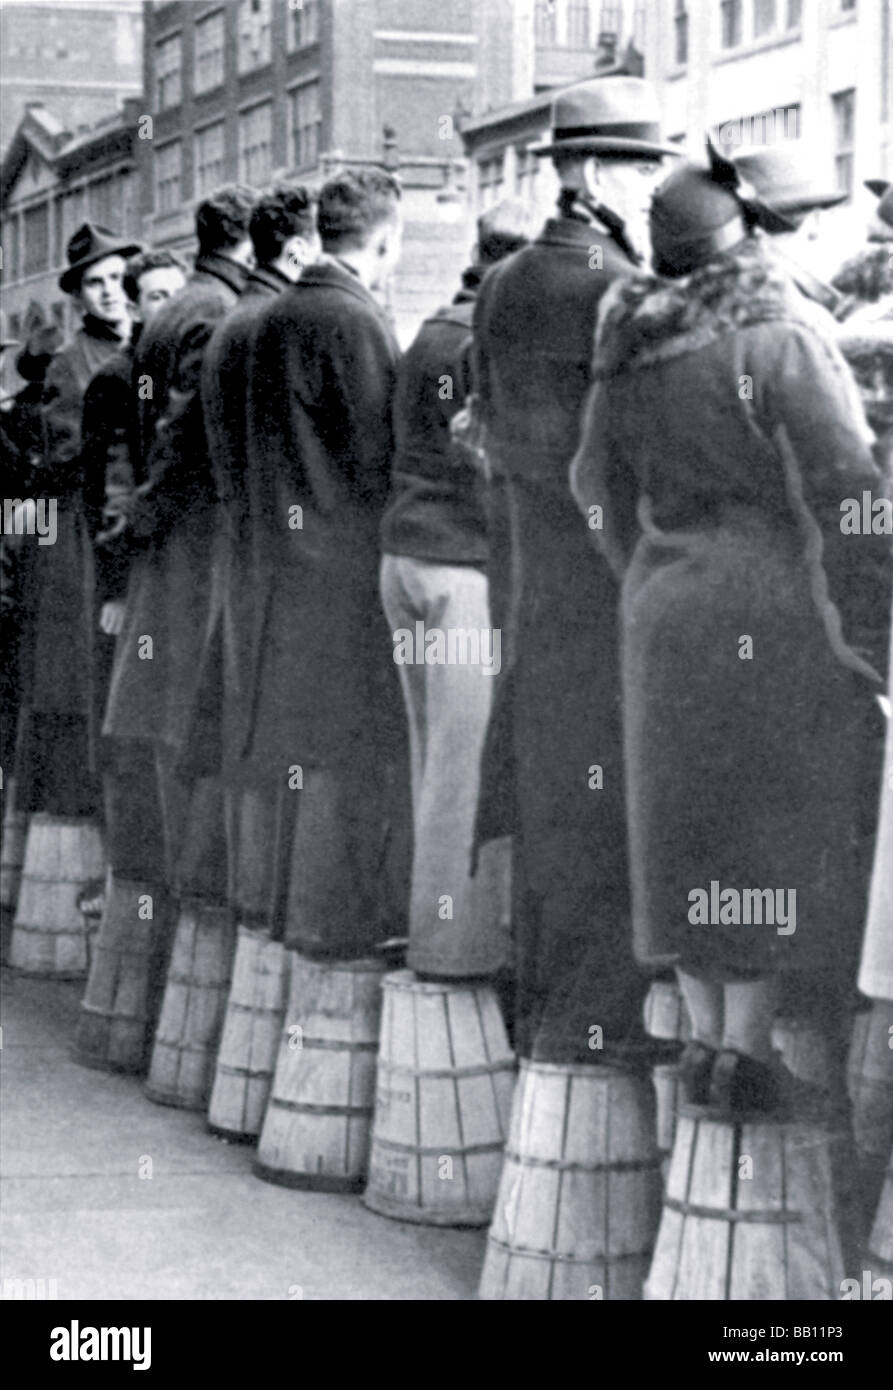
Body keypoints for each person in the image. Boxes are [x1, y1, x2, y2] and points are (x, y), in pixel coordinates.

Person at [570, 156, 892, 1116]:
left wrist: (650, 567)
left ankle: (707, 1039)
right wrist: (874, 627)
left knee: (685, 821)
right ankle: (746, 1054)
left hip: (661, 607)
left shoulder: (630, 352)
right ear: (751, 240)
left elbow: (592, 491)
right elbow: (850, 494)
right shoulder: (779, 342)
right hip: (771, 606)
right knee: (759, 820)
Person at [471, 77, 676, 1062]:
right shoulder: (618, 288)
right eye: (643, 165)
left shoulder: (505, 283)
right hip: (608, 595)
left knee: (550, 805)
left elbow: (491, 443)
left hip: (532, 589)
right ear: (591, 169)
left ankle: (543, 1023)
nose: (655, 185)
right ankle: (594, 1037)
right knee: (607, 814)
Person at [239, 169, 406, 959]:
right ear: (384, 239)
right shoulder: (354, 321)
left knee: (302, 757)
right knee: (348, 753)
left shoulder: (272, 316)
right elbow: (382, 454)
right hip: (345, 569)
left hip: (282, 565)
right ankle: (333, 925)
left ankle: (293, 918)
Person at [379, 199, 534, 983]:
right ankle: (459, 954)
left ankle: (427, 932)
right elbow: (488, 475)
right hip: (458, 572)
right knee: (464, 773)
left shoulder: (430, 329)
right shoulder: (486, 340)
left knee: (429, 761)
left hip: (403, 559)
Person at [103, 186, 255, 907]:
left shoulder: (166, 315)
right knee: (191, 721)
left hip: (168, 546)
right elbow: (179, 432)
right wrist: (148, 511)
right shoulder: (216, 315)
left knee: (167, 721)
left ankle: (166, 888)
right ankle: (191, 890)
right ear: (249, 243)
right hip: (196, 542)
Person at [201, 182, 319, 940]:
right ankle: (261, 902)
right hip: (280, 563)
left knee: (247, 736)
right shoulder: (272, 323)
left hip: (242, 553)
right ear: (298, 248)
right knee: (276, 745)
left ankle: (246, 898)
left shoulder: (235, 319)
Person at [13, 222, 141, 822]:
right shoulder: (70, 363)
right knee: (91, 671)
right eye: (96, 283)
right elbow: (67, 463)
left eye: (117, 278)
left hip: (132, 520)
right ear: (79, 296)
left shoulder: (143, 341)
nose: (111, 291)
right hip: (88, 533)